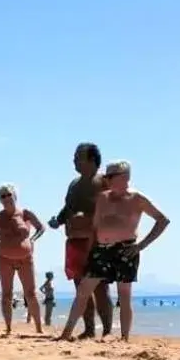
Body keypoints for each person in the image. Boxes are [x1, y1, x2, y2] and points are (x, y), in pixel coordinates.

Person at [69, 161, 169, 342]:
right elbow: (95, 226)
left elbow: (162, 220)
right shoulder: (103, 198)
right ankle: (66, 333)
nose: (106, 180)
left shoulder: (137, 199)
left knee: (124, 295)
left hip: (126, 249)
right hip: (101, 249)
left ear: (125, 177)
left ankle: (124, 338)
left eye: (110, 177)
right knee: (84, 290)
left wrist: (141, 245)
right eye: (106, 177)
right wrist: (90, 250)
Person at [51, 143, 114, 340]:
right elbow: (67, 207)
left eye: (79, 156)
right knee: (80, 288)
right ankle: (88, 329)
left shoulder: (104, 181)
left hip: (96, 241)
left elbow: (113, 209)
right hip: (74, 240)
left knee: (101, 287)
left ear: (92, 160)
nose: (74, 160)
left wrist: (88, 217)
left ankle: (107, 330)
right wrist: (59, 220)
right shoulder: (74, 184)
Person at [0, 183, 46, 336]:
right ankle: (8, 327)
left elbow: (41, 227)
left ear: (15, 195)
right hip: (4, 259)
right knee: (7, 294)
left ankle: (38, 328)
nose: (7, 198)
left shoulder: (25, 213)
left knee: (31, 293)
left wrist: (33, 240)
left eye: (9, 194)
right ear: (0, 200)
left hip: (25, 258)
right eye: (3, 196)